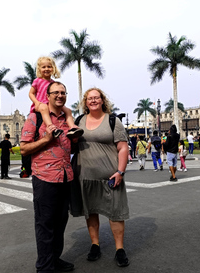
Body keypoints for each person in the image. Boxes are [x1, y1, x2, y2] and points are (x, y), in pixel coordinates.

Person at [20, 81, 75, 273]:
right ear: (48, 95)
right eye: (56, 93)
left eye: (63, 92)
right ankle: (44, 267)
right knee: (45, 224)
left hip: (66, 177)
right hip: (45, 177)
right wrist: (46, 139)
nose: (60, 96)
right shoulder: (36, 117)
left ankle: (54, 259)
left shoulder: (68, 118)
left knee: (60, 223)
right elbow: (24, 148)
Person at [73, 87, 130, 267]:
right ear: (85, 102)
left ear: (102, 100)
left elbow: (123, 148)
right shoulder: (79, 121)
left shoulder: (113, 121)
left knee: (115, 213)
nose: (93, 101)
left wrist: (120, 171)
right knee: (91, 212)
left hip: (111, 176)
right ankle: (95, 245)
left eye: (96, 98)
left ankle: (119, 249)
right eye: (90, 98)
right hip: (86, 176)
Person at [29, 56, 83, 139]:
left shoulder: (53, 83)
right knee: (44, 108)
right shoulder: (37, 81)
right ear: (39, 69)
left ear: (53, 68)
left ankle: (72, 127)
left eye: (49, 66)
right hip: (41, 104)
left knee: (68, 110)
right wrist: (36, 102)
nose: (46, 69)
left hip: (52, 104)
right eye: (43, 67)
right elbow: (31, 93)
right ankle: (51, 127)